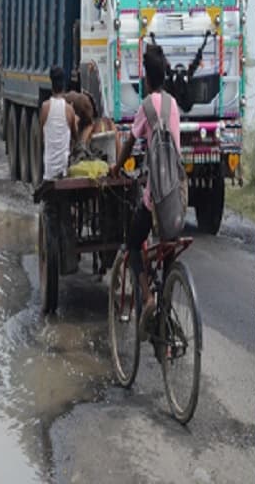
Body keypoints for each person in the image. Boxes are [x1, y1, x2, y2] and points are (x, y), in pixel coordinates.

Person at [110, 45, 182, 326]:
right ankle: (165, 316)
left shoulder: (147, 105)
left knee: (132, 243)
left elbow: (130, 141)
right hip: (177, 194)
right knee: (168, 252)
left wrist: (117, 167)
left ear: (146, 77)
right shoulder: (173, 104)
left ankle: (147, 298)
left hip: (155, 196)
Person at [39, 66, 77, 182]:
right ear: (64, 85)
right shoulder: (69, 109)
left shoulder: (45, 107)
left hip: (49, 170)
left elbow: (42, 136)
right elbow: (75, 137)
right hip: (64, 170)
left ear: (51, 84)